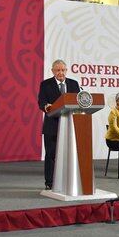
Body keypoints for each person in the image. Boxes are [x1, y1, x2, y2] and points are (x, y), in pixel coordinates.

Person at [38, 59, 80, 189]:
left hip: (70, 125)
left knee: (69, 154)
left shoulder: (74, 84)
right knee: (51, 155)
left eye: (63, 70)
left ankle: (68, 181)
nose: (60, 73)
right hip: (52, 125)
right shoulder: (45, 84)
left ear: (66, 70)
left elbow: (79, 101)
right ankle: (49, 183)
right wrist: (47, 106)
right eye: (58, 70)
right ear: (52, 71)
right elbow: (41, 102)